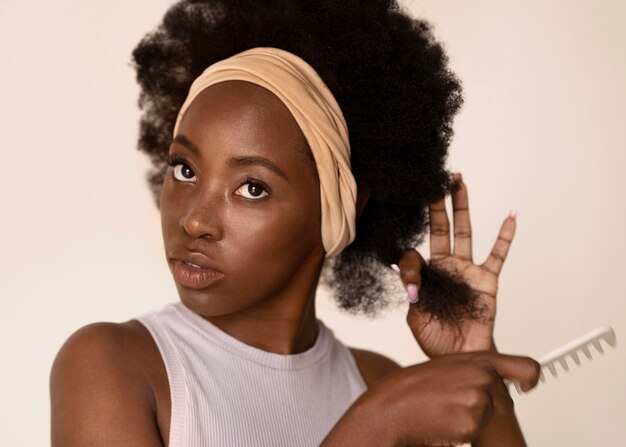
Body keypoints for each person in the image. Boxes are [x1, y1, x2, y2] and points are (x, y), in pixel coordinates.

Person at [50, 1, 540, 446]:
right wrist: (375, 426)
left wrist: (476, 368)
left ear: (336, 210)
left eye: (252, 188)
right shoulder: (113, 365)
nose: (195, 219)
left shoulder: (376, 382)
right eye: (185, 169)